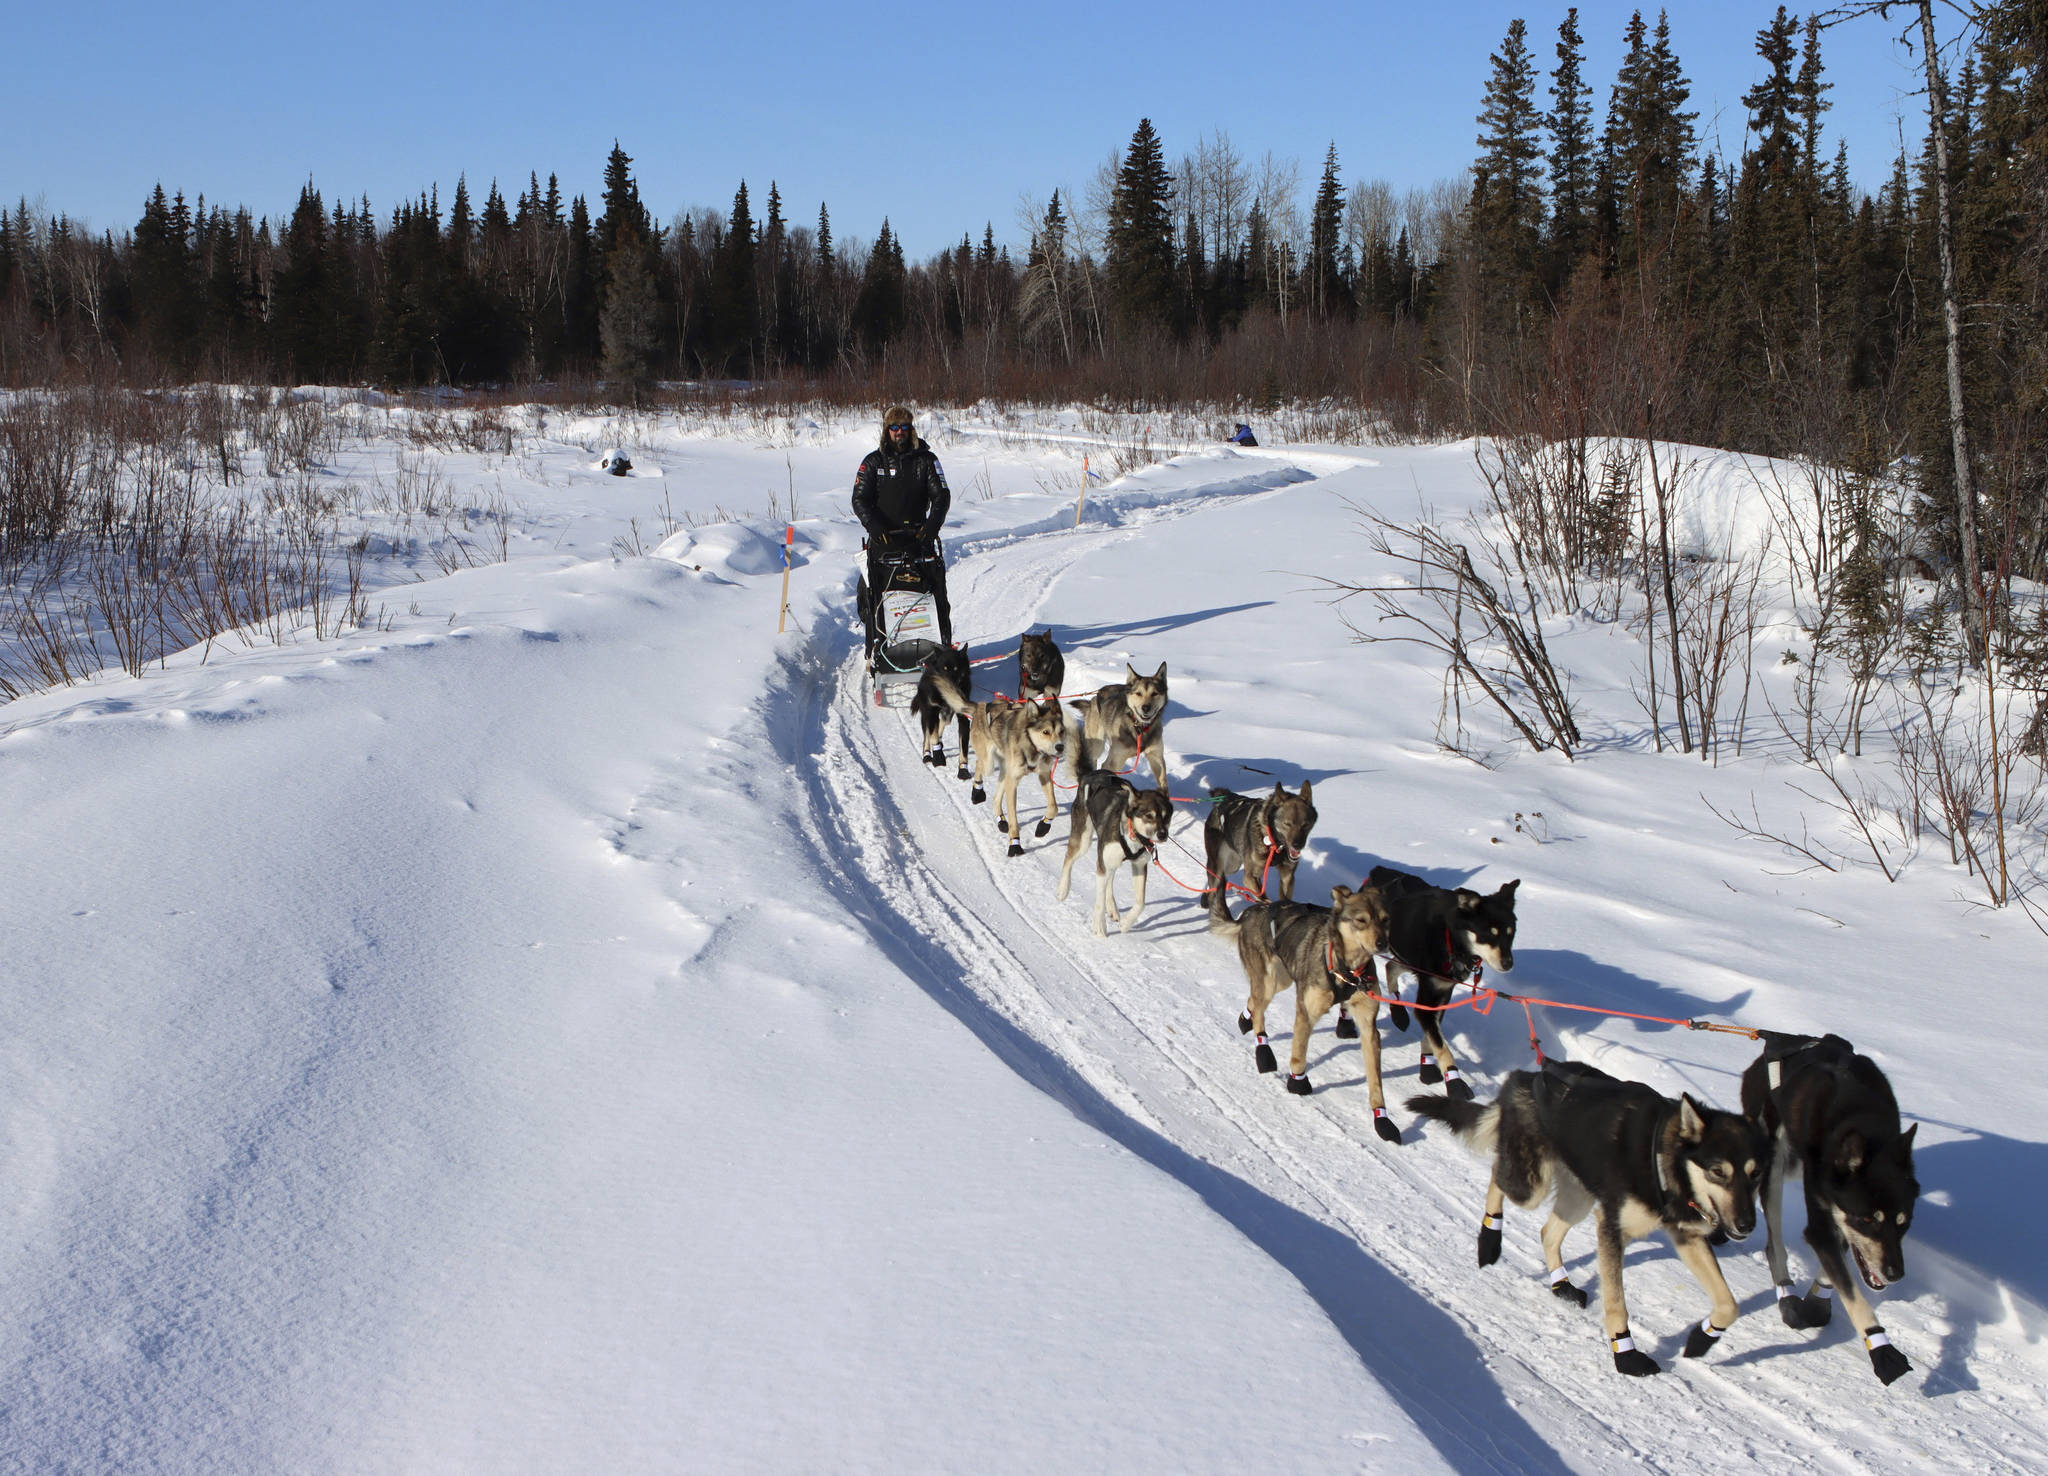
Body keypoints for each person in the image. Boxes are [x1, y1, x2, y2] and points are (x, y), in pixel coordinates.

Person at [852, 405, 953, 657]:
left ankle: (941, 648)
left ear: (911, 430)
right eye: (894, 428)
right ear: (887, 431)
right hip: (884, 542)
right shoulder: (873, 462)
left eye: (904, 427)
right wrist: (874, 527)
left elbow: (941, 496)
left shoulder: (926, 461)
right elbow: (859, 499)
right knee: (876, 599)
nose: (900, 432)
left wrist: (932, 526)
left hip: (919, 540)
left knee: (934, 596)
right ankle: (878, 650)